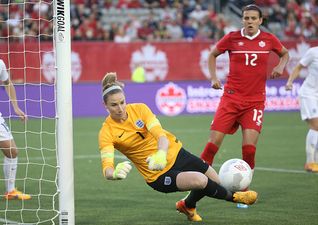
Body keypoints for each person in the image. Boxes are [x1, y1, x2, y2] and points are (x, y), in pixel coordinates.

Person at [98, 72, 258, 222]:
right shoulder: (107, 132)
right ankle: (236, 197)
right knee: (201, 180)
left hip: (176, 153)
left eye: (122, 102)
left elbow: (160, 135)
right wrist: (114, 174)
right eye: (114, 105)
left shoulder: (140, 109)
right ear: (105, 106)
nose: (120, 108)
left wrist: (161, 154)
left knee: (215, 180)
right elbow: (107, 169)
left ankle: (187, 205)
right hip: (158, 174)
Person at [200, 4, 289, 172]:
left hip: (255, 102)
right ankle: (196, 188)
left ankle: (244, 193)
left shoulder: (269, 39)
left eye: (253, 18)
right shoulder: (232, 38)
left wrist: (280, 66)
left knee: (249, 150)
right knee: (212, 145)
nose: (250, 21)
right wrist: (213, 78)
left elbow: (285, 54)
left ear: (260, 20)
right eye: (246, 18)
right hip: (231, 99)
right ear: (242, 20)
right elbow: (212, 55)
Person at [0, 59, 31, 200]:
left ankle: (10, 191)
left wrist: (16, 107)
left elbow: (7, 83)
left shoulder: (0, 64)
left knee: (12, 151)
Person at [285, 46, 318, 173]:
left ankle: (315, 161)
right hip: (308, 94)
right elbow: (299, 67)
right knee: (316, 125)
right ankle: (310, 162)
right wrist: (290, 81)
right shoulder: (313, 52)